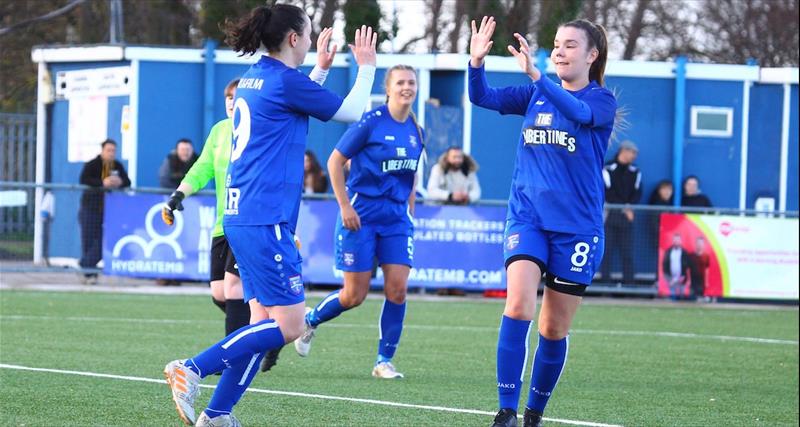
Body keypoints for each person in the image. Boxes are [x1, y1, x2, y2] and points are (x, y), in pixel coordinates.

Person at [163, 4, 377, 426]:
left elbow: (292, 104)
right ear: (294, 38)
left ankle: (218, 415)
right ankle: (191, 367)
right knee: (292, 324)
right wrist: (366, 67)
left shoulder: (257, 78)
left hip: (244, 215)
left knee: (261, 323)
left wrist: (320, 68)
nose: (315, 38)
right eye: (310, 32)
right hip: (264, 218)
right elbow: (349, 112)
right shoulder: (281, 81)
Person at [469, 16, 617, 427]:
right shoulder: (535, 93)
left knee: (552, 329)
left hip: (577, 229)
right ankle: (506, 412)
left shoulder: (601, 101)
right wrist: (476, 63)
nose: (559, 51)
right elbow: (480, 97)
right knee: (518, 304)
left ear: (592, 55)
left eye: (570, 45)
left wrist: (537, 76)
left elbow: (577, 110)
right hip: (528, 218)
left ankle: (534, 414)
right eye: (556, 43)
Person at [293, 64, 424, 379]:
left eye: (412, 83)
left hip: (396, 219)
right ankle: (309, 321)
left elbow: (411, 172)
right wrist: (345, 206)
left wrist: (410, 210)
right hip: (360, 215)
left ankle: (383, 361)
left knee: (398, 290)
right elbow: (335, 161)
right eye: (401, 82)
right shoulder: (371, 123)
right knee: (354, 295)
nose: (407, 87)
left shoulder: (416, 129)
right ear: (389, 89)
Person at [78, 139, 130, 284]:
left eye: (113, 150)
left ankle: (85, 265)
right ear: (102, 150)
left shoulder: (117, 166)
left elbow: (127, 181)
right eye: (108, 150)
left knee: (105, 240)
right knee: (88, 240)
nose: (111, 153)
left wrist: (120, 182)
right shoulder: (92, 164)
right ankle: (89, 274)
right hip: (90, 208)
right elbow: (84, 179)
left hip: (109, 210)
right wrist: (102, 183)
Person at [600, 140, 641, 284]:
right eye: (633, 152)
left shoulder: (635, 172)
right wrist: (624, 207)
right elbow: (607, 192)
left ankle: (629, 284)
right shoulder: (608, 169)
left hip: (627, 218)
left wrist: (629, 207)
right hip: (610, 215)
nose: (634, 156)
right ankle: (605, 284)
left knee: (627, 252)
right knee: (607, 251)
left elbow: (637, 193)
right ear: (623, 151)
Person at [662, 233, 692, 300]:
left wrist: (682, 277)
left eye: (678, 240)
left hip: (681, 278)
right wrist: (668, 278)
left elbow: (687, 266)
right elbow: (665, 265)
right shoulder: (668, 252)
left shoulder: (684, 253)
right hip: (671, 279)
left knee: (682, 297)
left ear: (680, 241)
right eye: (675, 240)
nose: (676, 242)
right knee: (672, 297)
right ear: (673, 241)